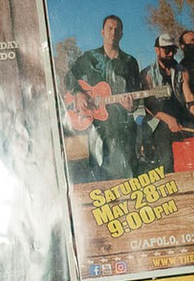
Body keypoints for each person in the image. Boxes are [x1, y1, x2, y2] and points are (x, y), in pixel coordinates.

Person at [64, 15, 144, 182]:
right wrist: (78, 93)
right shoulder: (89, 58)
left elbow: (135, 96)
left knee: (128, 174)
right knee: (100, 175)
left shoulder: (130, 62)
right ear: (102, 32)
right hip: (97, 126)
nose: (113, 32)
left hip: (122, 126)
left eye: (117, 29)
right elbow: (68, 78)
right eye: (109, 29)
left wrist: (131, 106)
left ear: (122, 34)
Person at [141, 33, 194, 172]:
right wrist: (169, 120)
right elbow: (149, 106)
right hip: (159, 123)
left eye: (173, 50)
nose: (170, 54)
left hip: (181, 120)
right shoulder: (147, 74)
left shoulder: (182, 71)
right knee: (167, 161)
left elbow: (189, 96)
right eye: (166, 50)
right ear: (157, 50)